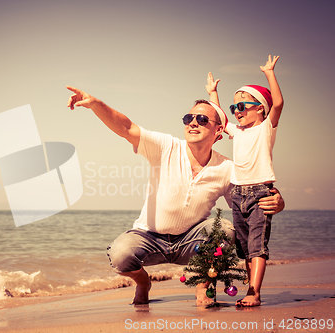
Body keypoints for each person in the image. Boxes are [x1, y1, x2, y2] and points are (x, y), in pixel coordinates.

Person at [67, 85, 285, 305]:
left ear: (219, 131)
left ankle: (203, 285)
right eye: (189, 117)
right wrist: (96, 104)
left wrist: (277, 201)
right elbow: (127, 127)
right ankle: (143, 282)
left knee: (226, 231)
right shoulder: (165, 147)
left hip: (191, 242)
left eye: (202, 119)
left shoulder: (227, 168)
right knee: (119, 255)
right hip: (149, 237)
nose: (192, 122)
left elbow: (247, 201)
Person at [206, 55, 284, 307]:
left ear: (260, 108)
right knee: (245, 248)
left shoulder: (265, 128)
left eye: (242, 107)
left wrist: (269, 73)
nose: (237, 112)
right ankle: (251, 289)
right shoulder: (236, 132)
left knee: (257, 244)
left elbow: (279, 103)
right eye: (234, 108)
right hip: (237, 194)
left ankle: (255, 292)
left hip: (261, 193)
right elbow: (218, 116)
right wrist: (212, 93)